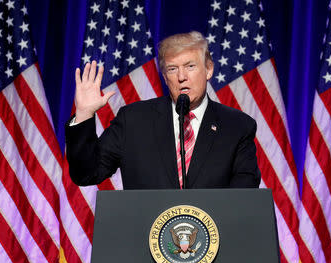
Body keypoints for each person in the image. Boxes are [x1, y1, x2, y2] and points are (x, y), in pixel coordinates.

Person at [65, 31, 260, 189]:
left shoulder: (237, 126)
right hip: (144, 235)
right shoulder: (133, 120)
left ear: (208, 69)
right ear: (165, 77)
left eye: (190, 66)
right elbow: (86, 174)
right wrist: (84, 114)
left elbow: (243, 196)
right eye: (172, 69)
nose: (181, 76)